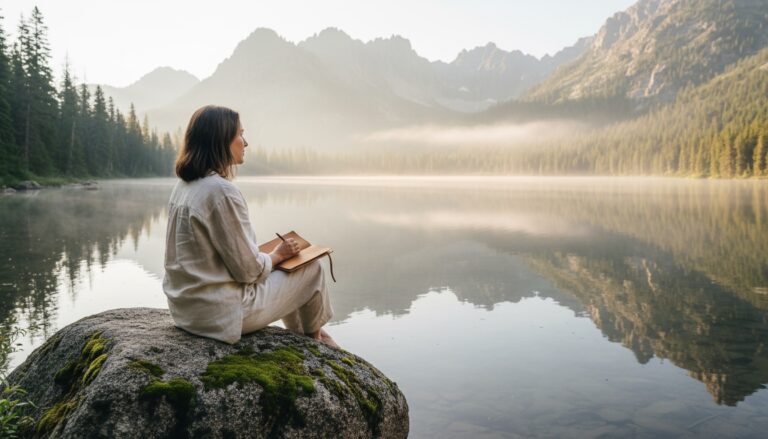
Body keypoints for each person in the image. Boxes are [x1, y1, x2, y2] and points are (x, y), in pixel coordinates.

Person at [162, 105, 338, 347]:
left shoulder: (184, 187)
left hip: (187, 311)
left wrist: (273, 258)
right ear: (221, 141)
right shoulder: (222, 192)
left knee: (285, 264)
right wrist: (277, 255)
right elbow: (248, 272)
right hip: (222, 316)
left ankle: (307, 335)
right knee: (312, 267)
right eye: (240, 135)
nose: (245, 142)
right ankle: (315, 341)